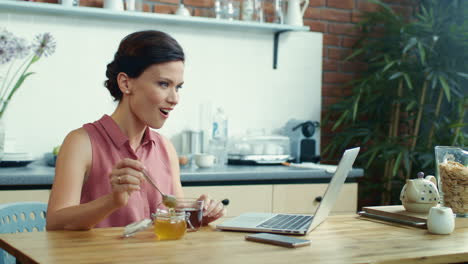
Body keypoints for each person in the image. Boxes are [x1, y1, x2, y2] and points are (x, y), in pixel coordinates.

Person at [46, 30, 226, 230]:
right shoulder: (81, 143)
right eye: (164, 84)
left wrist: (199, 215)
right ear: (125, 83)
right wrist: (113, 201)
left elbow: (176, 218)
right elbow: (55, 224)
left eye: (178, 87)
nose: (175, 98)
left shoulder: (165, 148)